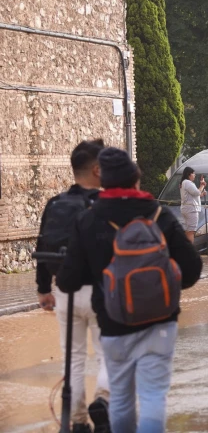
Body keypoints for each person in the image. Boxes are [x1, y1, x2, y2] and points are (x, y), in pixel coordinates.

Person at [56, 148, 203, 433]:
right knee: (152, 396)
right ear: (136, 180)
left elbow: (68, 281)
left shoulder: (88, 220)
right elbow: (193, 268)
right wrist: (168, 287)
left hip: (113, 323)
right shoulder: (159, 215)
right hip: (161, 323)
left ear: (105, 183)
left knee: (121, 399)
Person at [35, 139, 110, 433]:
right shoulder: (104, 206)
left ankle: (78, 423)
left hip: (65, 293)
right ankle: (103, 404)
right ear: (96, 169)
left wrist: (44, 289)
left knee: (73, 360)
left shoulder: (55, 204)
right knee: (108, 355)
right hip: (101, 294)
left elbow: (42, 246)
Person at [179, 166, 207, 243]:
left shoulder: (184, 183)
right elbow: (197, 192)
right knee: (191, 231)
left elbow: (193, 195)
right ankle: (190, 251)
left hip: (187, 208)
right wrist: (202, 185)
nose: (194, 175)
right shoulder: (187, 182)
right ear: (189, 174)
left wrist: (202, 194)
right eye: (193, 173)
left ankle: (186, 250)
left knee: (188, 231)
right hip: (191, 210)